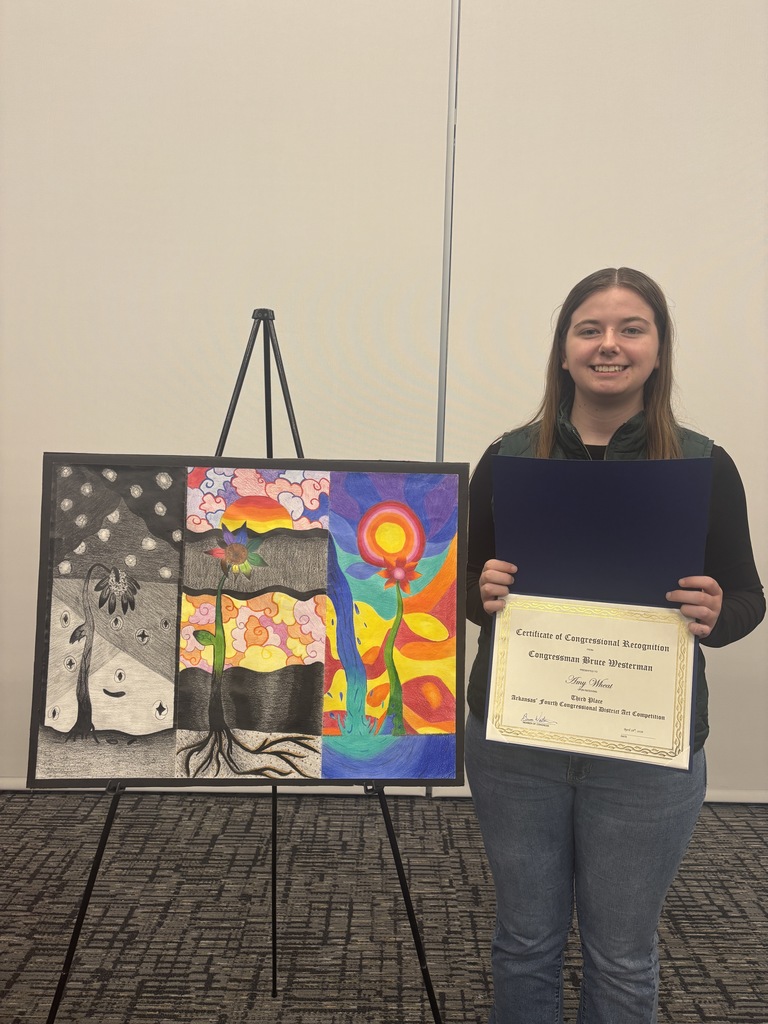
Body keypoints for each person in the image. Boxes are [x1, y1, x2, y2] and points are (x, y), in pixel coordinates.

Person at [464, 267, 765, 1024]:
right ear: (563, 351)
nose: (609, 344)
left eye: (631, 328)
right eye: (588, 328)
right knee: (525, 940)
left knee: (623, 953)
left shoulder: (702, 465)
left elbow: (747, 600)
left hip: (644, 748)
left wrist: (717, 610)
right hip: (518, 738)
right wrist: (481, 592)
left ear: (658, 350)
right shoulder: (505, 459)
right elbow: (459, 591)